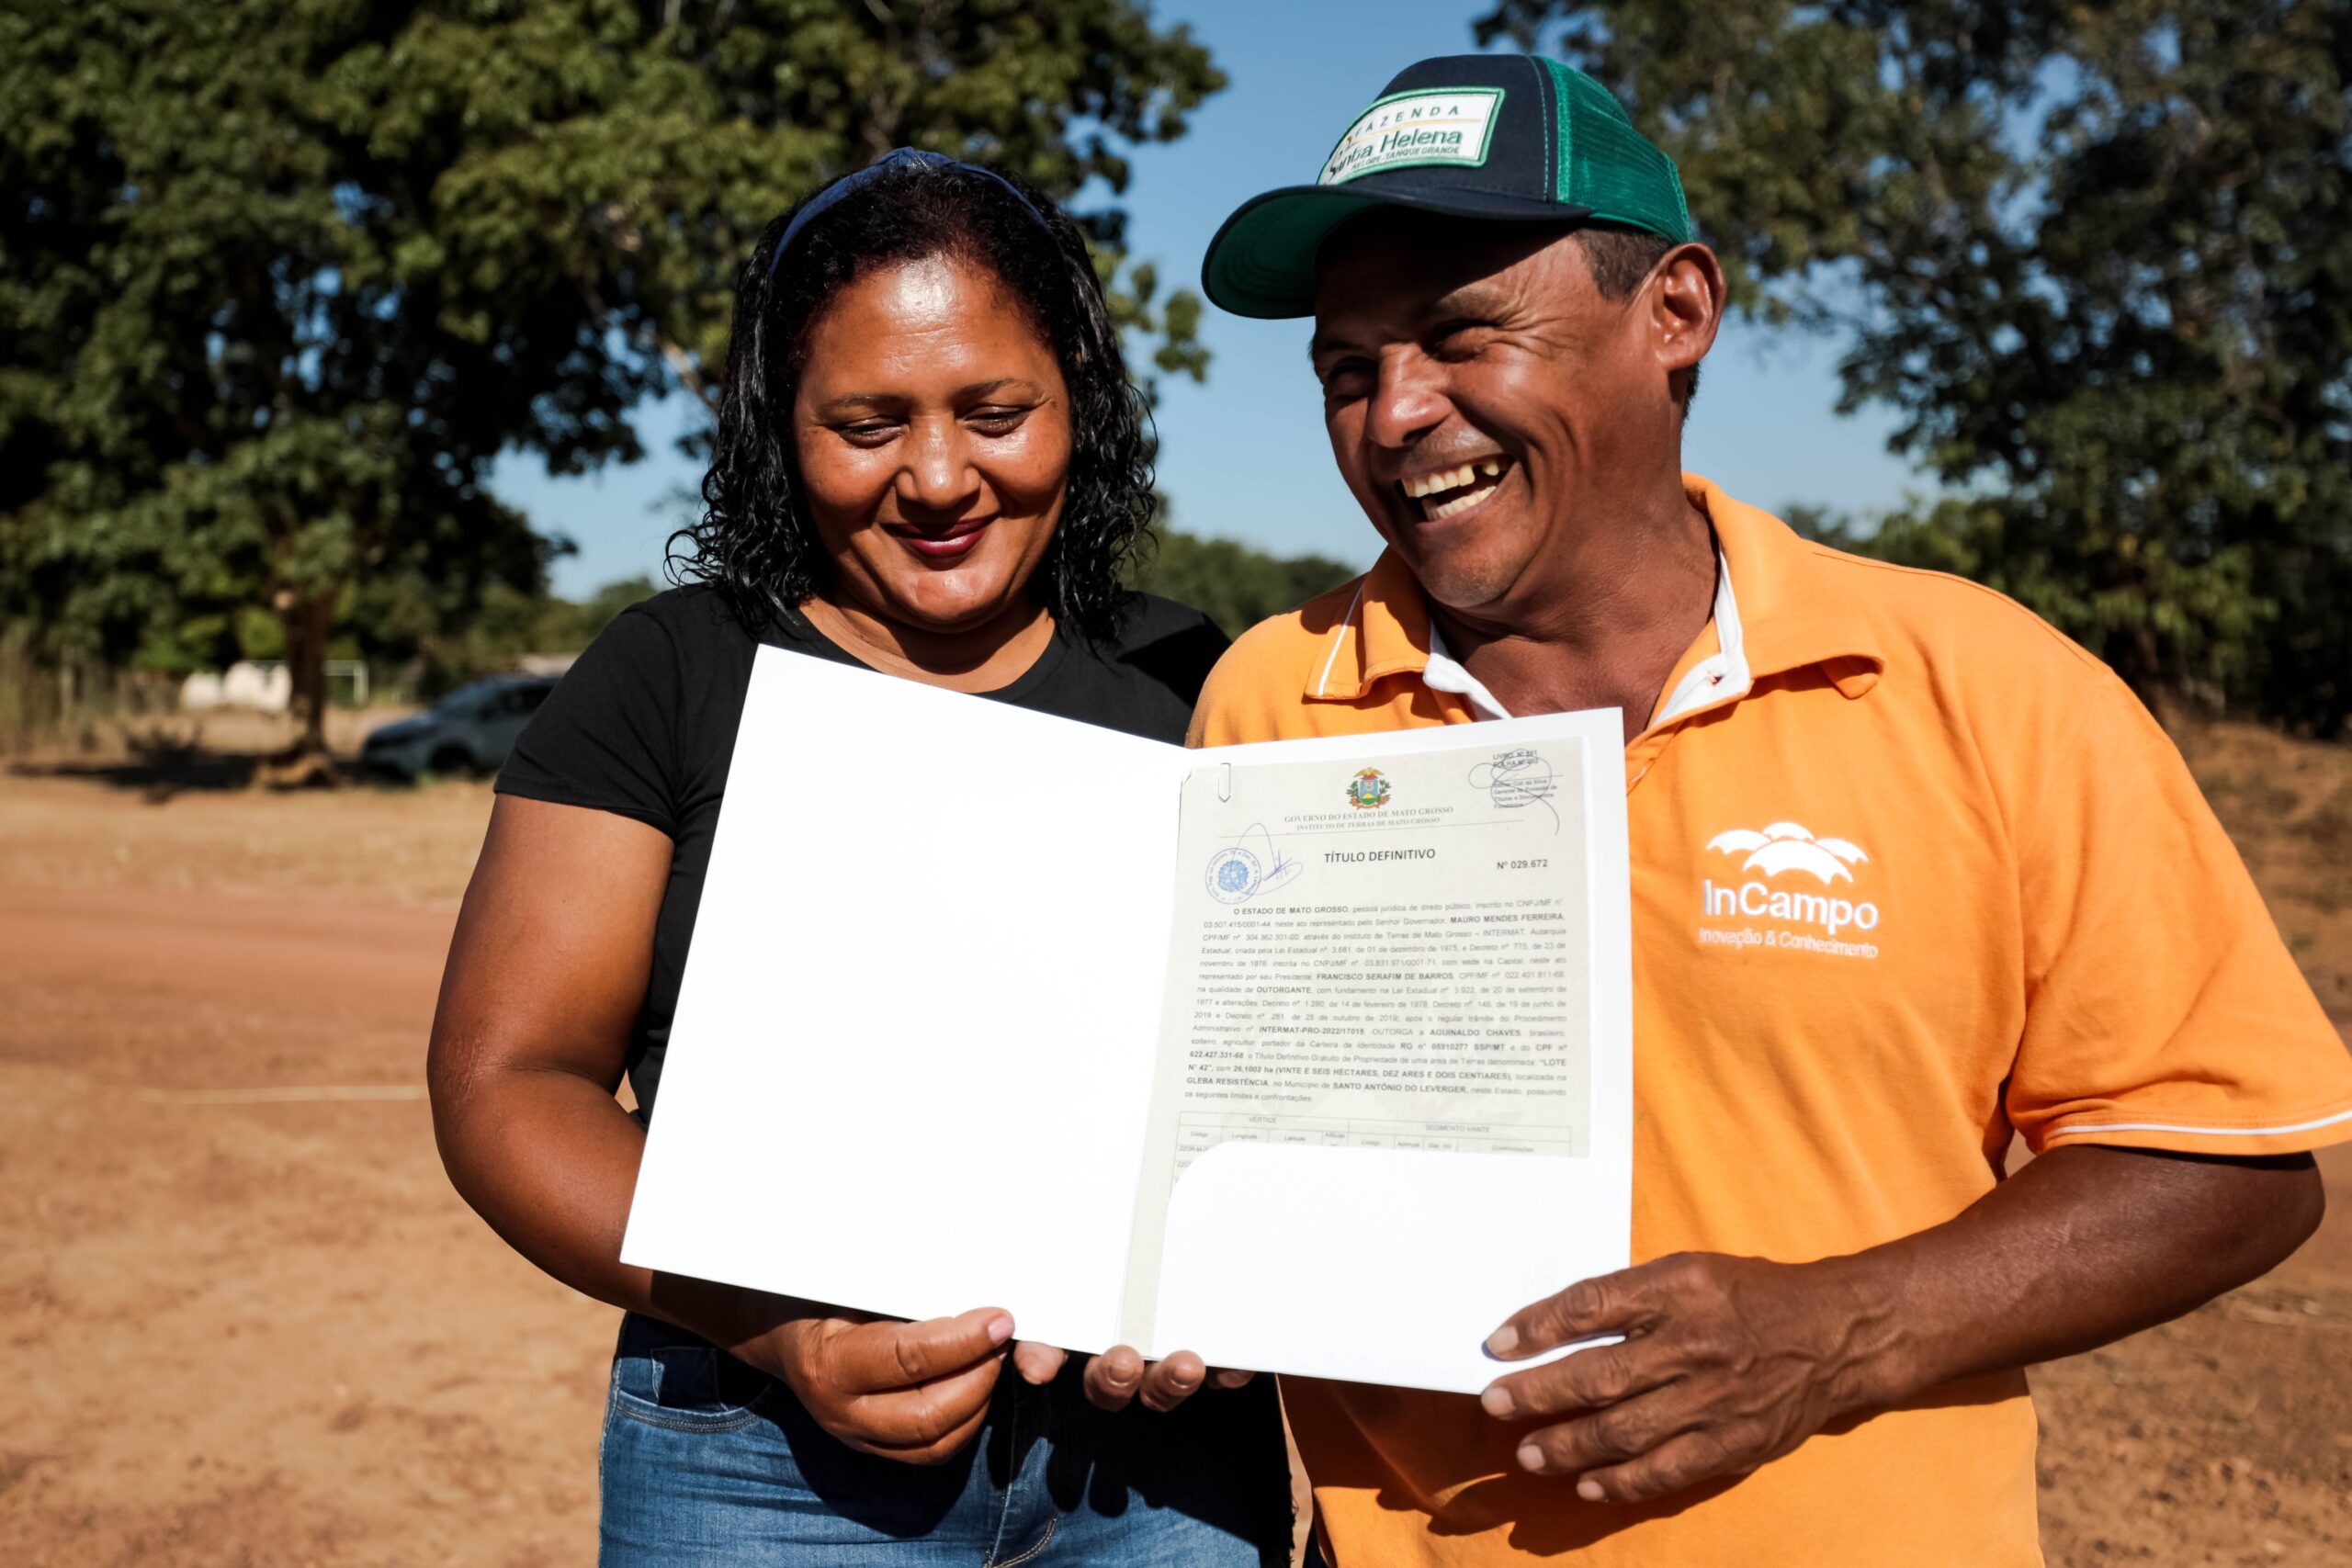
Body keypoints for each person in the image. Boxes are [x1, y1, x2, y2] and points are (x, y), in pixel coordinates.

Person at [1185, 53, 2352, 1568]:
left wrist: (1835, 1332)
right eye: (1348, 369)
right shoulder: (1273, 703)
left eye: (1463, 336)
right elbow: (1208, 1159)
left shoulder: (1983, 686)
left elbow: (2228, 1163)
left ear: (1675, 313)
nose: (1397, 412)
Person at [427, 149, 1291, 1566]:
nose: (939, 476)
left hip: (1161, 1481)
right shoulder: (673, 674)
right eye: (867, 422)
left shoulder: (1203, 679)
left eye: (996, 412)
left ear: (1080, 397)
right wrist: (772, 1324)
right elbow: (508, 1084)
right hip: (761, 1470)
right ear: (781, 426)